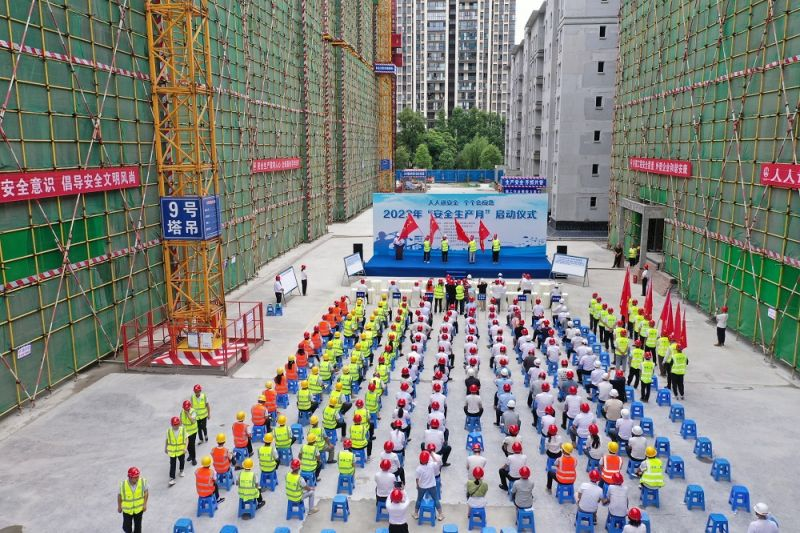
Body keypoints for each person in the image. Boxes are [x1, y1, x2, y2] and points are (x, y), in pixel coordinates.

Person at [414, 450, 443, 521]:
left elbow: (417, 479)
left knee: (419, 499)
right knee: (436, 499)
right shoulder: (432, 465)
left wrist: (417, 485)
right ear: (428, 459)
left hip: (422, 487)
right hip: (432, 486)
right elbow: (438, 462)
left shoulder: (418, 469)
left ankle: (416, 514)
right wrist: (432, 455)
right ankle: (440, 514)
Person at [118, 466, 148, 533]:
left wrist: (145, 504)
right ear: (130, 477)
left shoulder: (142, 482)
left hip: (138, 509)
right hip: (127, 510)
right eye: (135, 477)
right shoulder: (123, 485)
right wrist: (119, 506)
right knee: (127, 528)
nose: (137, 478)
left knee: (138, 527)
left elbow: (146, 492)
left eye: (138, 476)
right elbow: (119, 496)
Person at [165, 416, 187, 486]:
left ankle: (181, 470)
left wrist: (185, 448)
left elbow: (186, 439)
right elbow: (167, 440)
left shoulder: (183, 430)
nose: (176, 426)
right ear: (172, 424)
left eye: (178, 424)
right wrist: (165, 448)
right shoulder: (168, 431)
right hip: (172, 451)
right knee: (172, 464)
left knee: (182, 461)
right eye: (175, 425)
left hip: (181, 450)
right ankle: (172, 478)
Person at [180, 400, 198, 466]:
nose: (186, 409)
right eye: (184, 408)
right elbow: (181, 421)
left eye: (187, 408)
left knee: (192, 446)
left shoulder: (193, 411)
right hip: (185, 432)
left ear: (190, 407)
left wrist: (187, 414)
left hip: (193, 431)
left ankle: (194, 459)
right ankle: (190, 455)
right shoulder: (182, 412)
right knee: (187, 445)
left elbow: (192, 421)